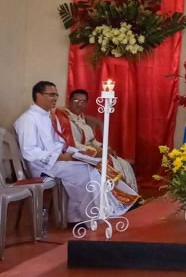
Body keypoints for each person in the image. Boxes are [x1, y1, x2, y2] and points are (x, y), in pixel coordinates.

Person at [14, 81, 139, 224]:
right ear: (38, 95)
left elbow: (60, 143)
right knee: (86, 173)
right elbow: (29, 151)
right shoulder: (27, 119)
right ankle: (88, 217)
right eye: (51, 95)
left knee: (96, 165)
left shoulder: (49, 116)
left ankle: (108, 208)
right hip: (42, 166)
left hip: (58, 161)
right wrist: (61, 157)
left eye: (56, 95)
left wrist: (77, 153)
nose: (55, 98)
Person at [53, 89, 138, 191]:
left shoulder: (81, 117)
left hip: (90, 151)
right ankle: (113, 195)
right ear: (69, 101)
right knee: (107, 163)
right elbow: (71, 144)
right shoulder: (63, 117)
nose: (79, 104)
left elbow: (92, 140)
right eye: (76, 101)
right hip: (76, 153)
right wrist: (95, 151)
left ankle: (128, 193)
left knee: (123, 163)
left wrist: (105, 148)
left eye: (83, 102)